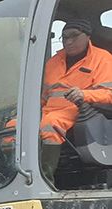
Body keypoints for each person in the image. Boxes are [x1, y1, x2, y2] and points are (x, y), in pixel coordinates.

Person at [38, 19, 112, 180]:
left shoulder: (103, 59)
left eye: (73, 36)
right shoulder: (53, 63)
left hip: (78, 110)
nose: (68, 42)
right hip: (47, 109)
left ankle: (43, 178)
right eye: (64, 37)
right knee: (13, 127)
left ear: (87, 36)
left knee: (50, 125)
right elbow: (44, 95)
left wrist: (84, 94)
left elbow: (109, 94)